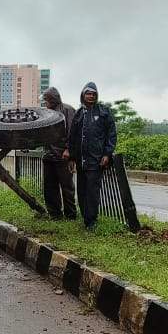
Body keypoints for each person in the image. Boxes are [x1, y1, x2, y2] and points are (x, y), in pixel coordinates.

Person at [67, 82, 117, 229]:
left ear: (97, 96)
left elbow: (111, 135)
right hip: (81, 160)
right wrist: (71, 157)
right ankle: (85, 217)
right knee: (81, 190)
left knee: (92, 191)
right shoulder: (79, 113)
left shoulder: (103, 112)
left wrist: (107, 153)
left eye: (93, 94)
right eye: (88, 93)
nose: (91, 96)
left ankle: (92, 220)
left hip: (96, 160)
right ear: (83, 95)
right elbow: (73, 136)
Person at [41, 87, 77, 220]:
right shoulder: (46, 113)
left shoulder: (68, 110)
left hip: (63, 155)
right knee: (49, 187)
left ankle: (70, 214)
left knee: (67, 187)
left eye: (47, 99)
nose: (45, 102)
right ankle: (55, 214)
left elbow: (72, 132)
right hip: (48, 155)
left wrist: (69, 150)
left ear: (53, 98)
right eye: (45, 100)